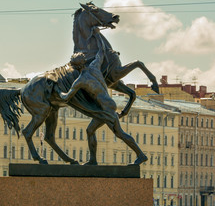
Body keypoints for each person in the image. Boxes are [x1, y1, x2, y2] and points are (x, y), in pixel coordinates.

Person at [57, 27, 148, 165]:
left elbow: (66, 97)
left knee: (119, 133)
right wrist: (97, 35)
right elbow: (102, 51)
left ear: (75, 67)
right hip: (108, 104)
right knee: (90, 130)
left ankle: (140, 155)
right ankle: (93, 160)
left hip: (104, 108)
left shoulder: (80, 80)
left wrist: (56, 89)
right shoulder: (94, 66)